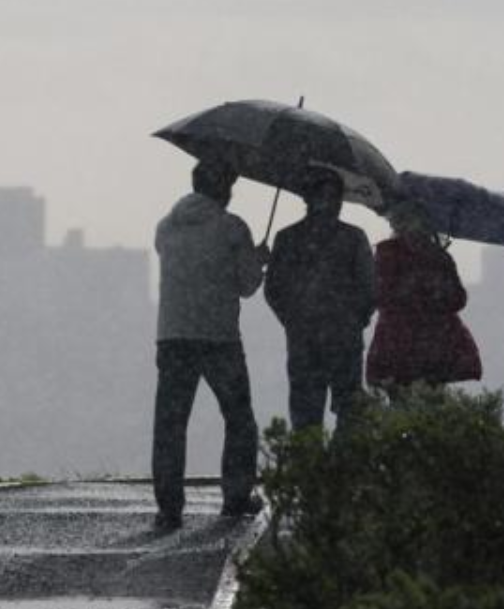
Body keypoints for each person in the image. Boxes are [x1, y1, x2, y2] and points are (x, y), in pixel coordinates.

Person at [153, 159, 269, 530]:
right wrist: (259, 260)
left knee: (171, 423)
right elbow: (247, 286)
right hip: (218, 337)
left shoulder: (166, 226)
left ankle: (169, 507)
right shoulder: (232, 228)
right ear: (222, 188)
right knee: (238, 419)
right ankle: (235, 497)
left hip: (173, 334)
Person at [265, 170, 375, 432]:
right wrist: (356, 319)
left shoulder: (287, 238)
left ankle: (309, 468)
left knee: (307, 415)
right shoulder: (353, 238)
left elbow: (274, 290)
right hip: (343, 338)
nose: (333, 203)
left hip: (306, 339)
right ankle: (343, 467)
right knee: (349, 412)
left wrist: (292, 320)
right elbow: (369, 288)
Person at [366, 200, 482, 397]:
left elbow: (457, 299)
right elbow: (457, 299)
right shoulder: (434, 257)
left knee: (406, 404)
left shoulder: (390, 255)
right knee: (426, 404)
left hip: (403, 343)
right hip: (426, 344)